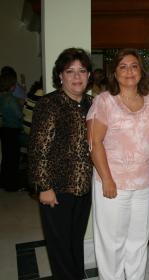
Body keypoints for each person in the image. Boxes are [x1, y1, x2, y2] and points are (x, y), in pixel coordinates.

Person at [87, 48, 149, 280]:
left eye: (134, 66)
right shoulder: (104, 101)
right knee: (112, 242)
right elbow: (95, 143)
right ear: (115, 73)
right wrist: (107, 178)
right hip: (113, 183)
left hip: (145, 183)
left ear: (141, 72)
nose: (129, 71)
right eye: (123, 67)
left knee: (138, 240)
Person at [28, 48, 93, 280]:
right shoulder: (50, 104)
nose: (77, 77)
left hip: (84, 188)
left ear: (88, 75)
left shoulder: (90, 104)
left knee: (74, 241)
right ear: (61, 76)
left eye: (82, 71)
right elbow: (38, 150)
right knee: (59, 247)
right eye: (70, 71)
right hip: (56, 188)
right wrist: (44, 187)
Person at [0, 73, 23, 191]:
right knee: (13, 158)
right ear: (12, 86)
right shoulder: (11, 99)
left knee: (6, 157)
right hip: (13, 131)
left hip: (4, 129)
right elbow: (19, 115)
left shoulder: (2, 97)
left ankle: (3, 183)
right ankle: (12, 185)